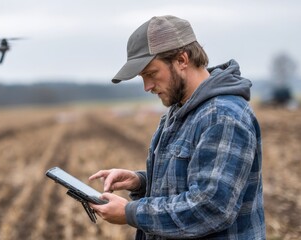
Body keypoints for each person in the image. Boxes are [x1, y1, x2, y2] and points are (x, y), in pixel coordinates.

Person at [89, 15, 265, 239]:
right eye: (143, 77)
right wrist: (141, 181)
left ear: (182, 60)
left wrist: (130, 212)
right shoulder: (181, 109)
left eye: (151, 74)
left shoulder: (222, 116)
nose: (147, 86)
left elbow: (211, 208)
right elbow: (189, 180)